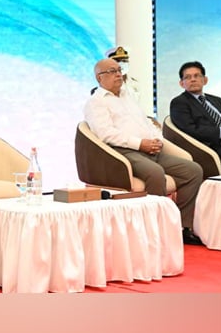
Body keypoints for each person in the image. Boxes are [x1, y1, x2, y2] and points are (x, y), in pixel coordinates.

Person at [84, 58, 204, 245]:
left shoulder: (128, 95)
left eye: (119, 70)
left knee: (193, 170)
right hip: (123, 153)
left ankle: (182, 227)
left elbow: (146, 121)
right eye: (112, 71)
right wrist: (140, 144)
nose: (119, 74)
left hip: (150, 149)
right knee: (155, 173)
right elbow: (106, 135)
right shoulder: (96, 102)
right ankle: (155, 230)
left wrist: (157, 139)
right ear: (100, 78)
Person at [170, 61, 221, 175]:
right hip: (214, 147)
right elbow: (191, 131)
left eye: (197, 76)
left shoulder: (216, 100)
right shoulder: (179, 103)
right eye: (188, 77)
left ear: (205, 80)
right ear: (181, 83)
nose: (193, 79)